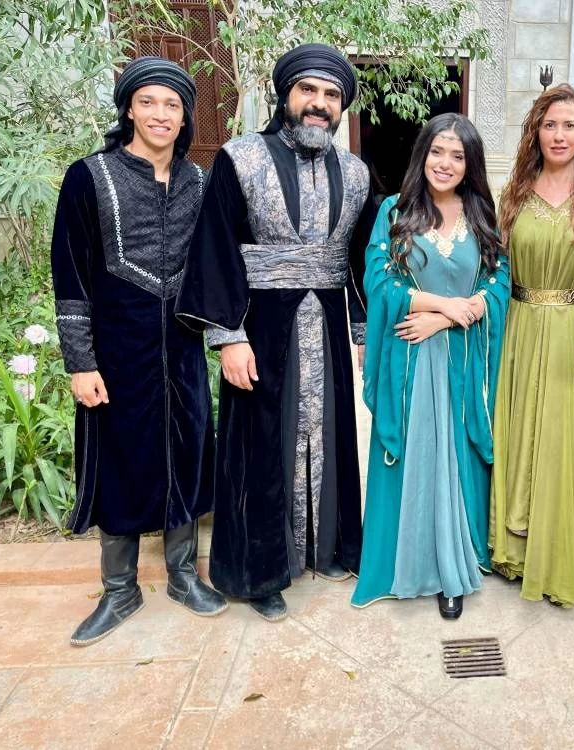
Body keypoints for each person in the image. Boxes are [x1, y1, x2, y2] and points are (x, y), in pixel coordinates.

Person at [176, 43, 372, 622]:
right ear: (285, 95)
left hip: (326, 324)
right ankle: (261, 570)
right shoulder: (240, 158)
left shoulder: (356, 172)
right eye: (308, 90)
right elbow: (215, 246)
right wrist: (229, 336)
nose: (319, 103)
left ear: (341, 107)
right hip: (259, 325)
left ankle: (326, 549)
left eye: (331, 95)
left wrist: (364, 332)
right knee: (262, 444)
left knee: (329, 432)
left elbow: (362, 259)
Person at [51, 56, 226, 647]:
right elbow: (70, 272)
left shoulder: (199, 181)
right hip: (116, 351)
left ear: (185, 116)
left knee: (187, 451)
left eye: (172, 105)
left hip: (182, 348)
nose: (160, 114)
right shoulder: (89, 177)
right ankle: (119, 588)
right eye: (148, 101)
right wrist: (81, 362)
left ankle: (183, 574)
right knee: (118, 462)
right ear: (129, 108)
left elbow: (216, 265)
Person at [351, 113, 510, 619]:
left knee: (457, 457)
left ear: (470, 164)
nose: (445, 163)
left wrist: (447, 318)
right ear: (423, 154)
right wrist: (444, 305)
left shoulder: (481, 216)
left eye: (457, 156)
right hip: (413, 362)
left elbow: (499, 283)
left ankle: (451, 569)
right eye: (437, 152)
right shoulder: (395, 212)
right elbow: (380, 282)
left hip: (462, 358)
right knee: (417, 455)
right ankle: (407, 562)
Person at [490, 84, 574, 608]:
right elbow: (495, 270)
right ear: (535, 133)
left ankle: (566, 550)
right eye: (550, 125)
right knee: (520, 435)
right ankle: (515, 549)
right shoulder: (514, 192)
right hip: (520, 329)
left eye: (570, 125)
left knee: (564, 436)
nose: (559, 135)